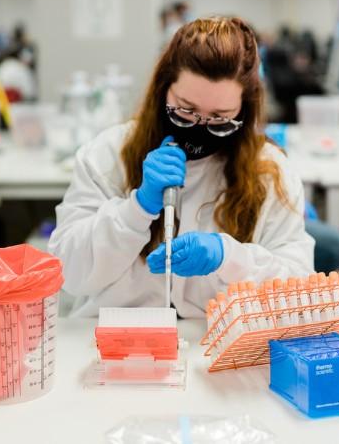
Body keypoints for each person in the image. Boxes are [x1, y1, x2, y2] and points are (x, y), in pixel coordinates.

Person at [49, 17, 314, 318]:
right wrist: (136, 209)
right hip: (114, 339)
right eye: (185, 110)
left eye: (220, 118)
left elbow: (298, 292)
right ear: (163, 90)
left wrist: (229, 258)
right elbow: (68, 273)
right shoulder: (108, 155)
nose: (199, 126)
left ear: (245, 109)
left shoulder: (269, 171)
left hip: (215, 345)